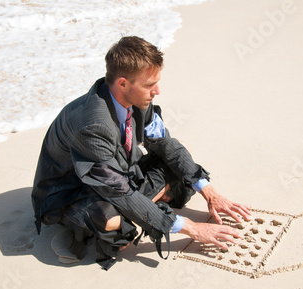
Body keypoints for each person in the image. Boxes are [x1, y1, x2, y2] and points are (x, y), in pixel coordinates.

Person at [31, 36, 251, 269]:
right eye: (149, 85)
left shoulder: (136, 100)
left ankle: (139, 214)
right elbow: (118, 192)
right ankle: (82, 227)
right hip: (69, 192)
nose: (157, 91)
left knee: (177, 158)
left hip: (115, 174)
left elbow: (166, 144)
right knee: (110, 218)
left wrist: (209, 192)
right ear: (123, 83)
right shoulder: (92, 126)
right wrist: (190, 227)